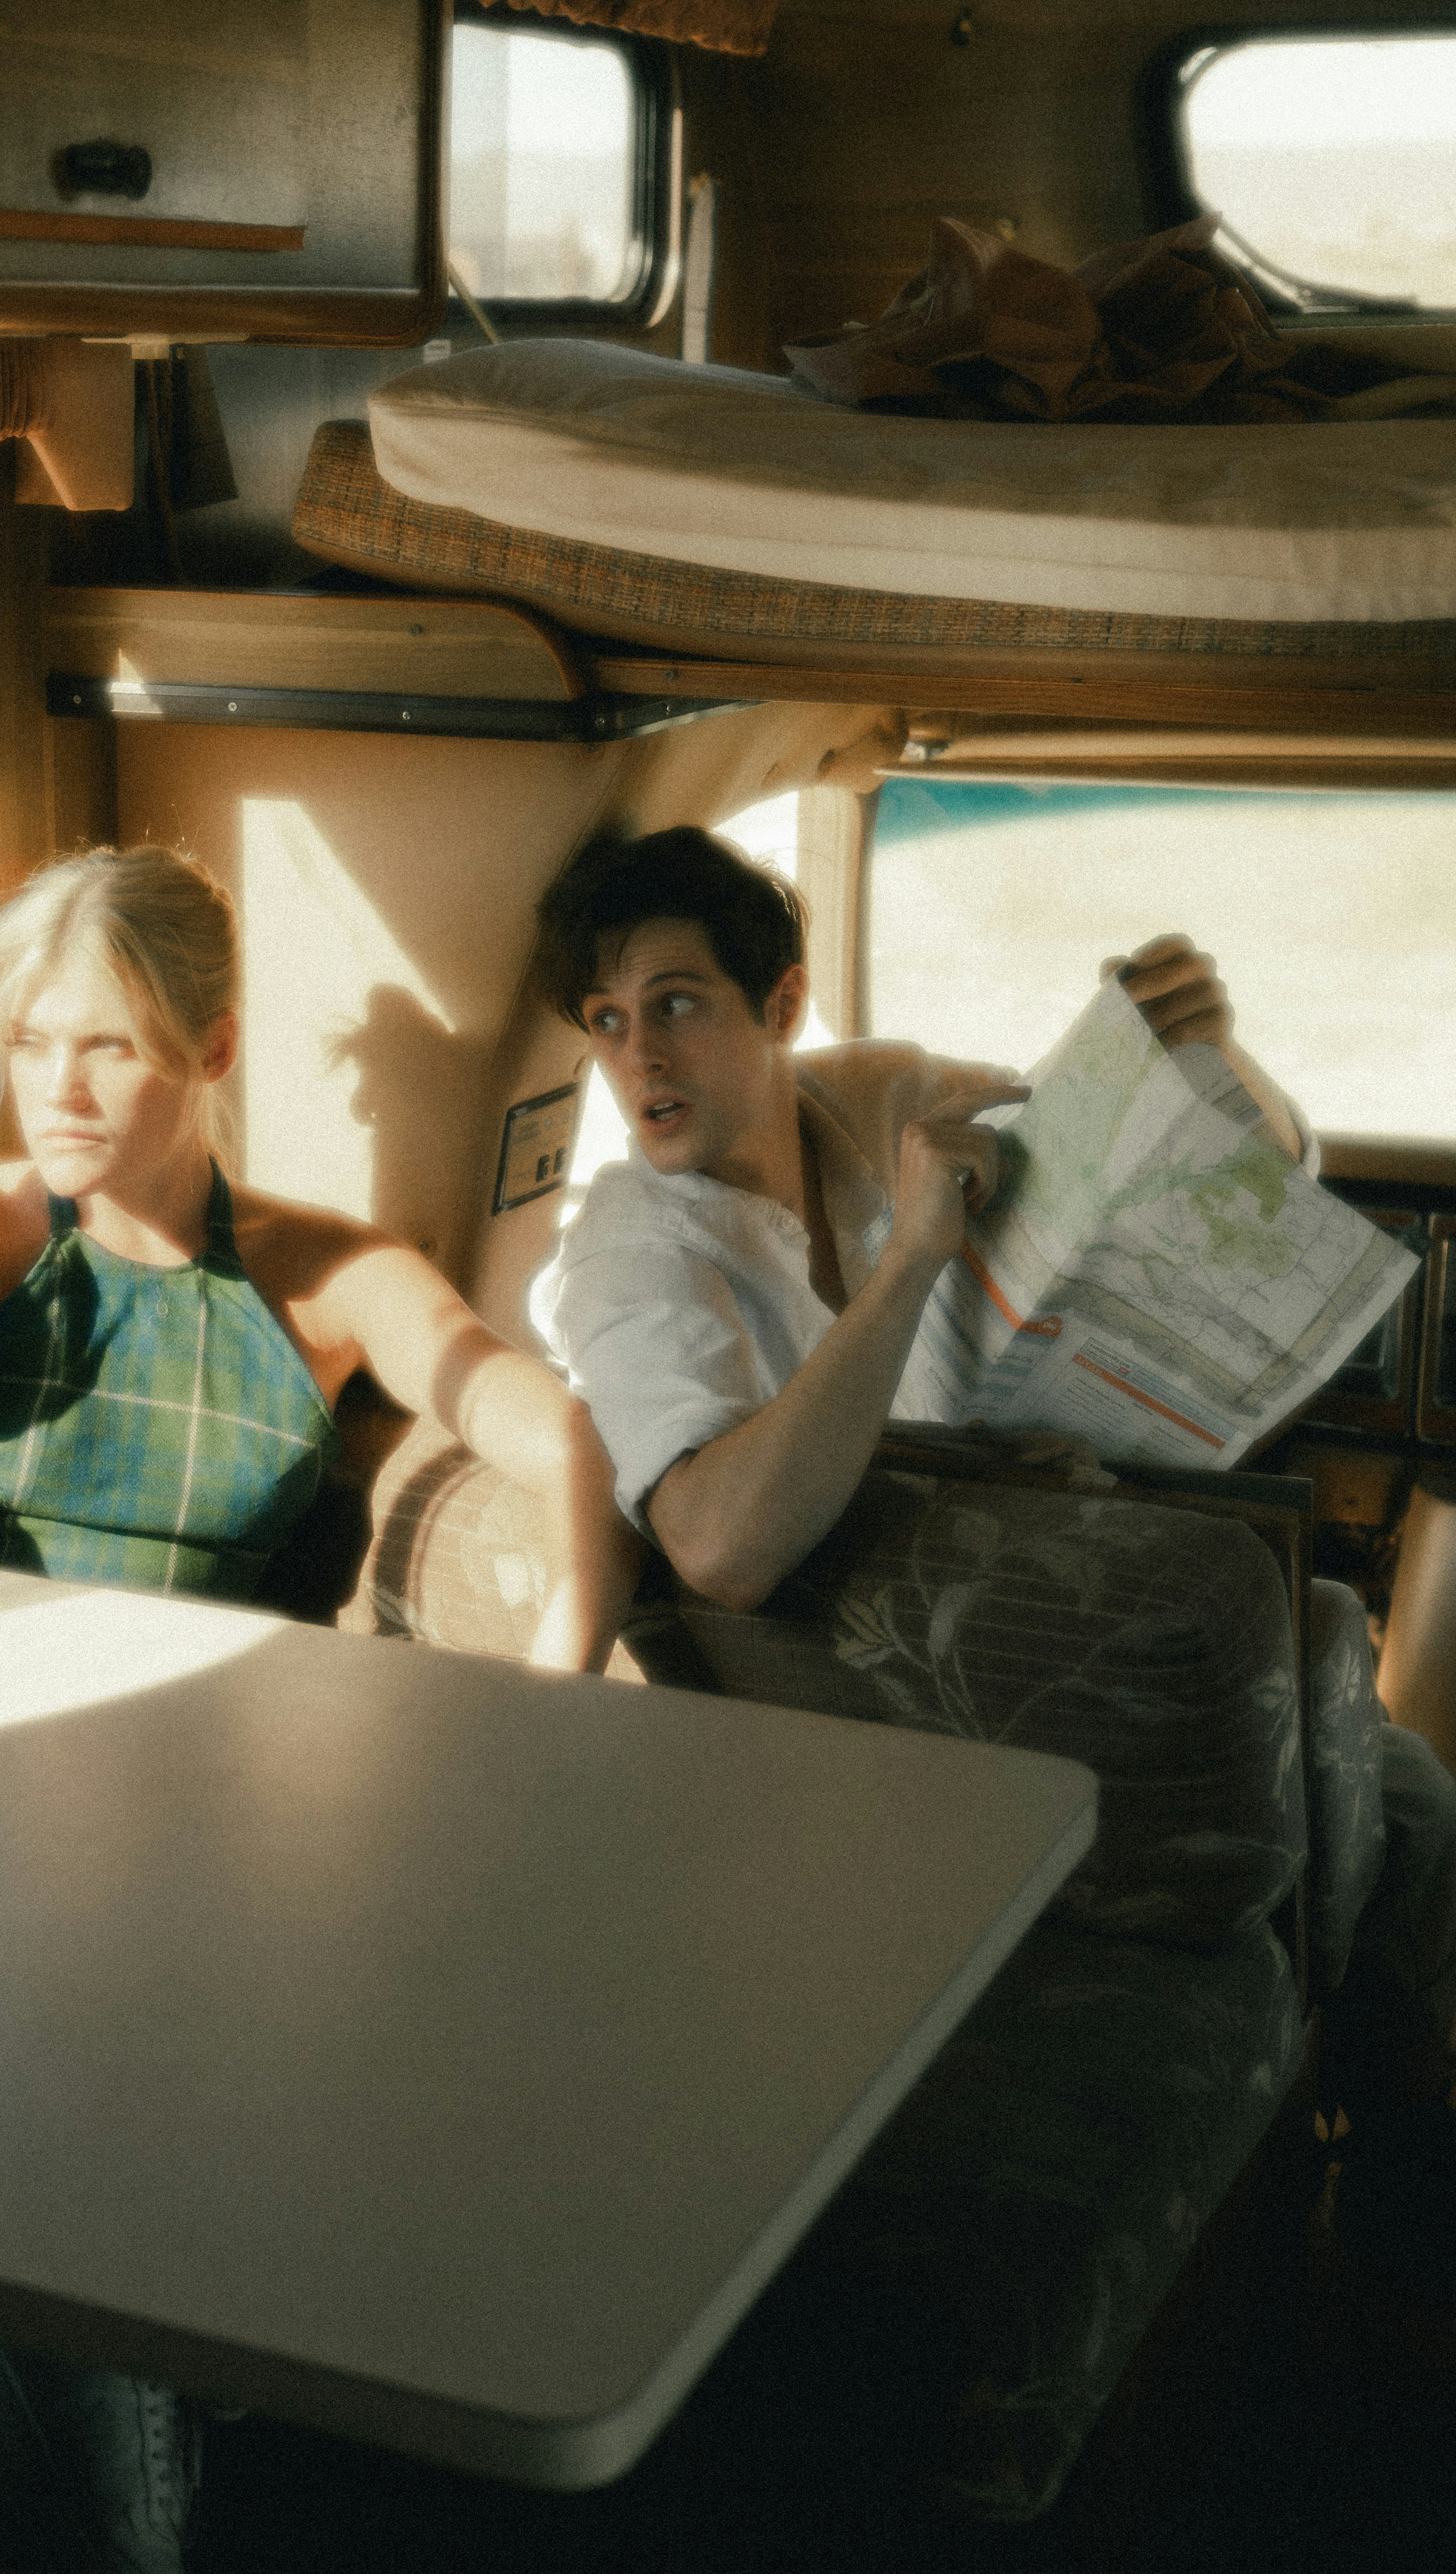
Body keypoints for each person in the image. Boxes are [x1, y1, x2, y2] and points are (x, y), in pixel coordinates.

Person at [0, 839, 640, 2570]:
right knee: (54, 2157)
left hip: (198, 1843)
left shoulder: (321, 1276)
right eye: (31, 1043)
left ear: (211, 1049)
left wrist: (558, 1683)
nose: (61, 1089)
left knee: (96, 2143)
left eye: (108, 1045)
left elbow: (556, 1432)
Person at [526, 821, 1456, 2288]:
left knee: (1413, 1803)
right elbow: (718, 1545)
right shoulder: (627, 1253)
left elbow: (1202, 1173)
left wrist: (1213, 1065)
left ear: (782, 1005)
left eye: (678, 1004)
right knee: (1341, 1682)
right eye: (607, 1021)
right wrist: (910, 1260)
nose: (639, 1057)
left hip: (1083, 1585)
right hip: (892, 1716)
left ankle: (1392, 2180)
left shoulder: (886, 1094)